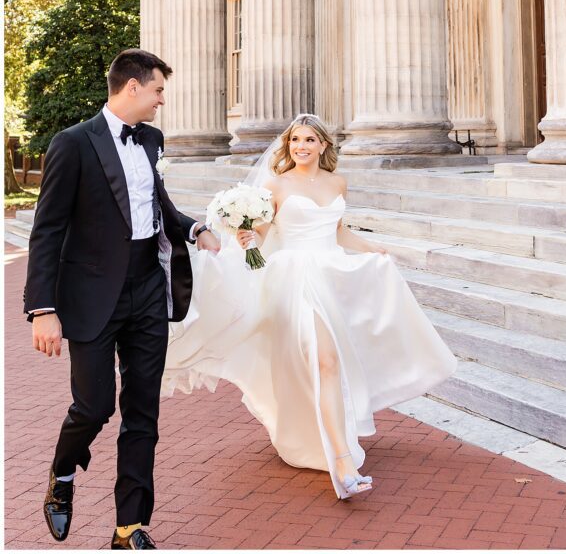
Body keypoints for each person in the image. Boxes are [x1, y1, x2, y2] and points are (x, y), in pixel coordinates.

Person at [162, 113, 457, 499]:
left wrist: (374, 249)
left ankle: (326, 445)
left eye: (309, 140)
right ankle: (342, 462)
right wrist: (246, 238)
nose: (301, 147)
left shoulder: (338, 182)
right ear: (289, 146)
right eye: (295, 140)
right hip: (295, 279)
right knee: (326, 362)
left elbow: (338, 231)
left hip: (332, 275)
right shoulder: (275, 184)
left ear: (323, 145)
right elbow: (263, 238)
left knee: (326, 365)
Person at [23, 48, 221, 550]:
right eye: (157, 91)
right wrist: (42, 308)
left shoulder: (152, 139)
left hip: (147, 289)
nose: (161, 102)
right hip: (91, 296)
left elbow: (154, 202)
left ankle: (129, 526)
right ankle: (62, 473)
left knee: (142, 411)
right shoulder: (72, 144)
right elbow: (46, 231)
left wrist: (193, 228)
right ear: (132, 88)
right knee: (93, 407)